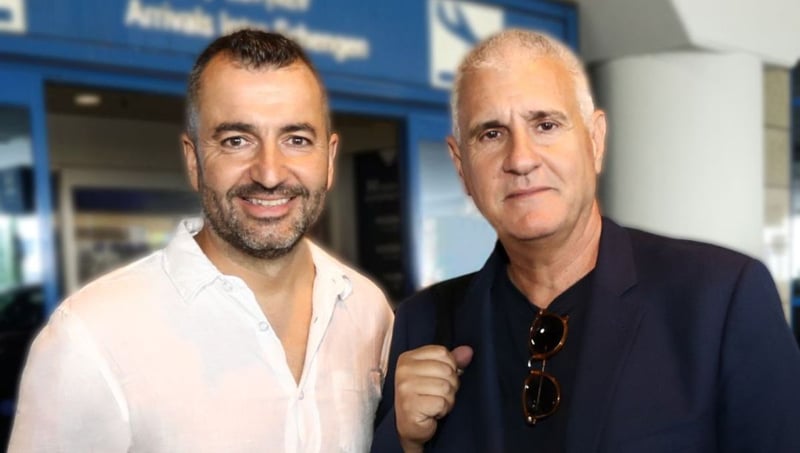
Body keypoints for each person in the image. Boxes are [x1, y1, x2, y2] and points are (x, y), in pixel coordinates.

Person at [371, 28, 800, 453]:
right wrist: (403, 440)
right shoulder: (422, 323)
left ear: (594, 140)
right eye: (491, 134)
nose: (520, 159)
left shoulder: (720, 299)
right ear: (461, 165)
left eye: (545, 125)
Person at [9, 29, 393, 452]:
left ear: (330, 159)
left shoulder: (368, 311)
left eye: (296, 140)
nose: (269, 173)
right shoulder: (89, 337)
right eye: (236, 141)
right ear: (193, 161)